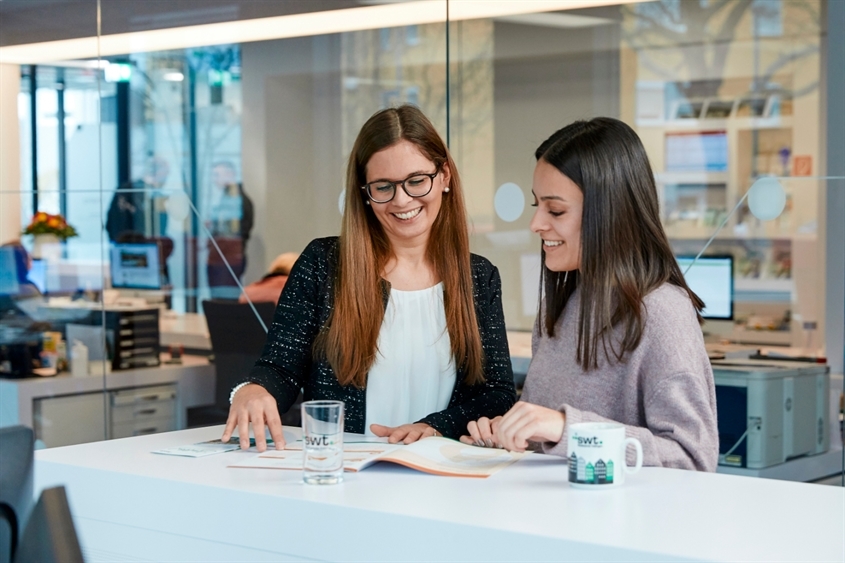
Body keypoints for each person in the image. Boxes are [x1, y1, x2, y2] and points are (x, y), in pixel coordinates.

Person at [222, 105, 516, 451]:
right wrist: (252, 389)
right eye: (383, 187)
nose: (402, 199)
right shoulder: (324, 264)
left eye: (417, 181)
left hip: (441, 478)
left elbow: (497, 394)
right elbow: (280, 368)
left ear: (445, 177)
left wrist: (435, 426)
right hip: (345, 472)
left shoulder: (478, 277)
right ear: (364, 192)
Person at [462, 117, 718, 471]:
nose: (536, 224)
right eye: (537, 206)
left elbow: (693, 459)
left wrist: (566, 428)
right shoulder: (563, 305)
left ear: (609, 213)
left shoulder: (662, 313)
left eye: (556, 210)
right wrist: (508, 436)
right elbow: (553, 447)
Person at [206, 161, 254, 298]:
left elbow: (242, 231)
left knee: (225, 302)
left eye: (217, 175)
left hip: (230, 258)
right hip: (220, 256)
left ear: (230, 174)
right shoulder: (225, 199)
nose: (214, 179)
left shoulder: (238, 201)